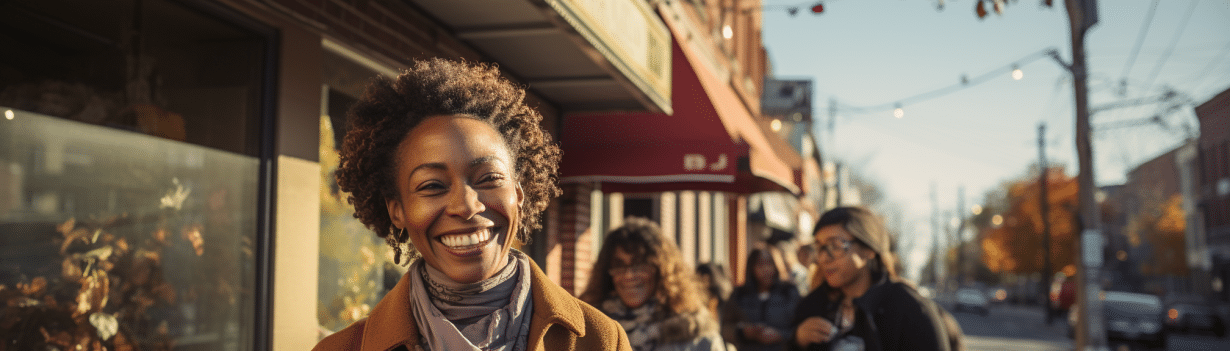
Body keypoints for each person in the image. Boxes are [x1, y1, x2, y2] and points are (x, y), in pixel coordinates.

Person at [313, 58, 630, 351]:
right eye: (432, 186)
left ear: (518, 195)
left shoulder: (601, 340)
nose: (465, 206)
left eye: (489, 178)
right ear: (397, 210)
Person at [790, 207, 950, 351]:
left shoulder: (908, 308)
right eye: (819, 247)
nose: (824, 257)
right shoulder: (813, 306)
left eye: (836, 245)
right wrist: (798, 341)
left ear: (869, 250)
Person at [580, 218, 725, 351]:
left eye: (640, 264)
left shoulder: (696, 335)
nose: (629, 275)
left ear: (661, 271)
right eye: (619, 265)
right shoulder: (588, 328)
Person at [723, 247, 801, 351]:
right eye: (760, 264)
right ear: (752, 267)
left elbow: (801, 327)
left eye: (769, 263)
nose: (766, 269)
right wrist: (743, 332)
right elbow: (725, 328)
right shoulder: (740, 294)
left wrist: (781, 335)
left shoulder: (789, 292)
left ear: (777, 265)